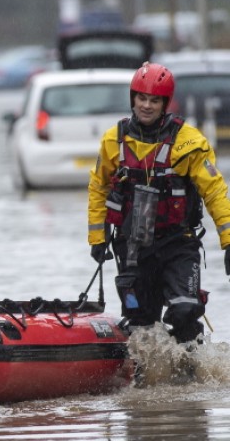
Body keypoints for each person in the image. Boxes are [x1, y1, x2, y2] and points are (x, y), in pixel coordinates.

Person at [88, 62, 230, 359]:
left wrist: (229, 240)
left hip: (179, 244)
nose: (147, 106)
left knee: (184, 310)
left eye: (155, 100)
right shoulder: (113, 141)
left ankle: (191, 378)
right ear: (132, 99)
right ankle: (147, 382)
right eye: (141, 98)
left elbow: (215, 191)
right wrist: (97, 238)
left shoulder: (189, 143)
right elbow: (99, 187)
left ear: (166, 104)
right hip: (133, 247)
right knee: (141, 323)